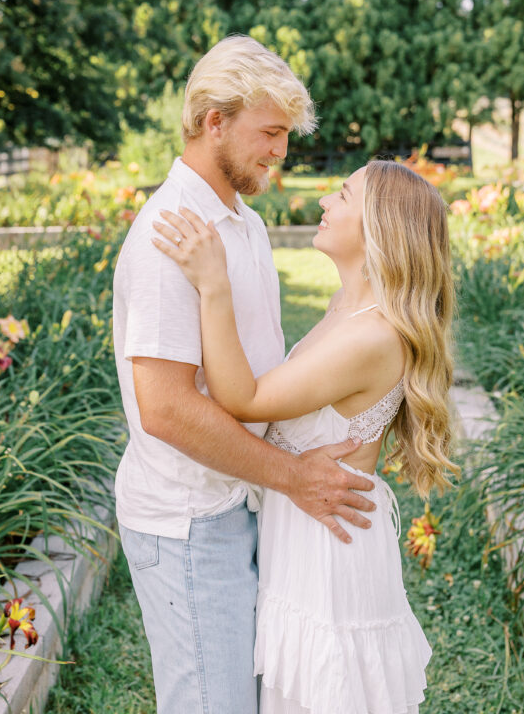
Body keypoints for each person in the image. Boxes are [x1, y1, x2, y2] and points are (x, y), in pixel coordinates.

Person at [112, 36, 376, 714]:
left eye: (285, 135)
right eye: (269, 133)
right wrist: (293, 476)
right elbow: (165, 409)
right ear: (214, 122)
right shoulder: (168, 235)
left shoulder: (243, 225)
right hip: (189, 520)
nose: (279, 152)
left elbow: (259, 374)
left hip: (241, 503)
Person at [152, 158, 459, 714]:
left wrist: (214, 286)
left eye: (343, 196)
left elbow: (242, 398)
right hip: (306, 533)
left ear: (379, 229)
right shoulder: (348, 308)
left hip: (328, 550)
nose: (324, 202)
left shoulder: (371, 334)